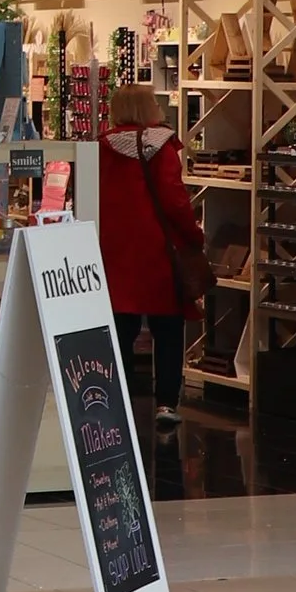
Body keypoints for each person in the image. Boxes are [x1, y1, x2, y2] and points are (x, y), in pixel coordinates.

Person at [97, 82, 203, 441]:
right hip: (158, 249)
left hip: (114, 249)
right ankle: (166, 403)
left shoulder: (101, 147)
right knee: (168, 328)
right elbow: (175, 200)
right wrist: (193, 236)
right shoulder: (162, 147)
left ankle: (121, 400)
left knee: (120, 329)